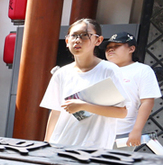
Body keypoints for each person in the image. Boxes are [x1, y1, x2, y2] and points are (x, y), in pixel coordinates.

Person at [41, 18, 128, 149]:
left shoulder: (109, 71)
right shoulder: (62, 73)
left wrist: (84, 106)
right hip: (60, 145)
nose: (77, 40)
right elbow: (56, 112)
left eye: (84, 35)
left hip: (94, 148)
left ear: (98, 40)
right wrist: (47, 144)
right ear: (67, 41)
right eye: (74, 36)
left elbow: (121, 112)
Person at [104, 32, 161, 149]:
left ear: (131, 49)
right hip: (94, 132)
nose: (111, 50)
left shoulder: (142, 70)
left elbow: (147, 102)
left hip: (123, 133)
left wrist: (136, 130)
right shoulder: (101, 69)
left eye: (116, 46)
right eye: (109, 47)